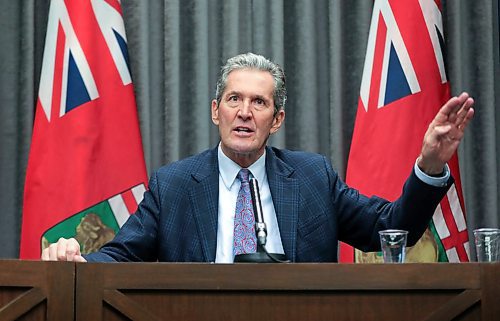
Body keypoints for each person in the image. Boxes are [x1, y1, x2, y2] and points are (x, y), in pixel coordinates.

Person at [41, 52, 474, 263]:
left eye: (259, 103)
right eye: (233, 99)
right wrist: (75, 259)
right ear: (216, 111)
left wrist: (431, 163)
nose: (244, 112)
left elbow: (391, 227)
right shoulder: (173, 185)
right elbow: (121, 255)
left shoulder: (312, 177)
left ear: (277, 118)